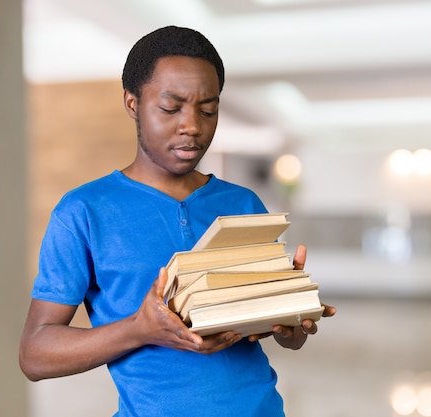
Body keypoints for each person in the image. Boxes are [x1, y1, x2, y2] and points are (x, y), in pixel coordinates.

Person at [19, 25, 336, 417]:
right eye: (171, 108)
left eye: (208, 109)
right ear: (133, 103)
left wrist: (288, 317)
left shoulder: (243, 203)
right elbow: (35, 354)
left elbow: (281, 339)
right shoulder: (83, 212)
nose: (193, 126)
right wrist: (138, 328)